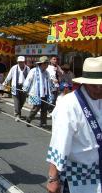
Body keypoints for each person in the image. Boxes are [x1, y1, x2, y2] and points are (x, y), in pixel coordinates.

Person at [46, 56, 102, 193]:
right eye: (95, 86)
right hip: (78, 174)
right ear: (85, 83)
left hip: (98, 168)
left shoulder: (100, 99)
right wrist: (53, 178)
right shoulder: (69, 104)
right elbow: (59, 142)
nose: (99, 89)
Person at [23, 56, 53, 127]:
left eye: (47, 64)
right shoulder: (33, 71)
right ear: (41, 64)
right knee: (36, 108)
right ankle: (29, 118)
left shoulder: (46, 73)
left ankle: (43, 122)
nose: (47, 65)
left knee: (44, 108)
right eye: (45, 64)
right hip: (36, 93)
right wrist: (25, 89)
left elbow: (49, 82)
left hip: (45, 93)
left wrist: (51, 89)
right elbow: (28, 80)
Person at [3, 56, 30, 121]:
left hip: (24, 87)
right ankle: (17, 115)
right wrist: (5, 82)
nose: (21, 63)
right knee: (17, 101)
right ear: (18, 62)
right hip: (15, 86)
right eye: (19, 62)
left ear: (24, 62)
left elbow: (29, 78)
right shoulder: (14, 68)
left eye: (22, 62)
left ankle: (17, 111)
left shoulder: (27, 68)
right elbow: (9, 76)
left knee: (22, 101)